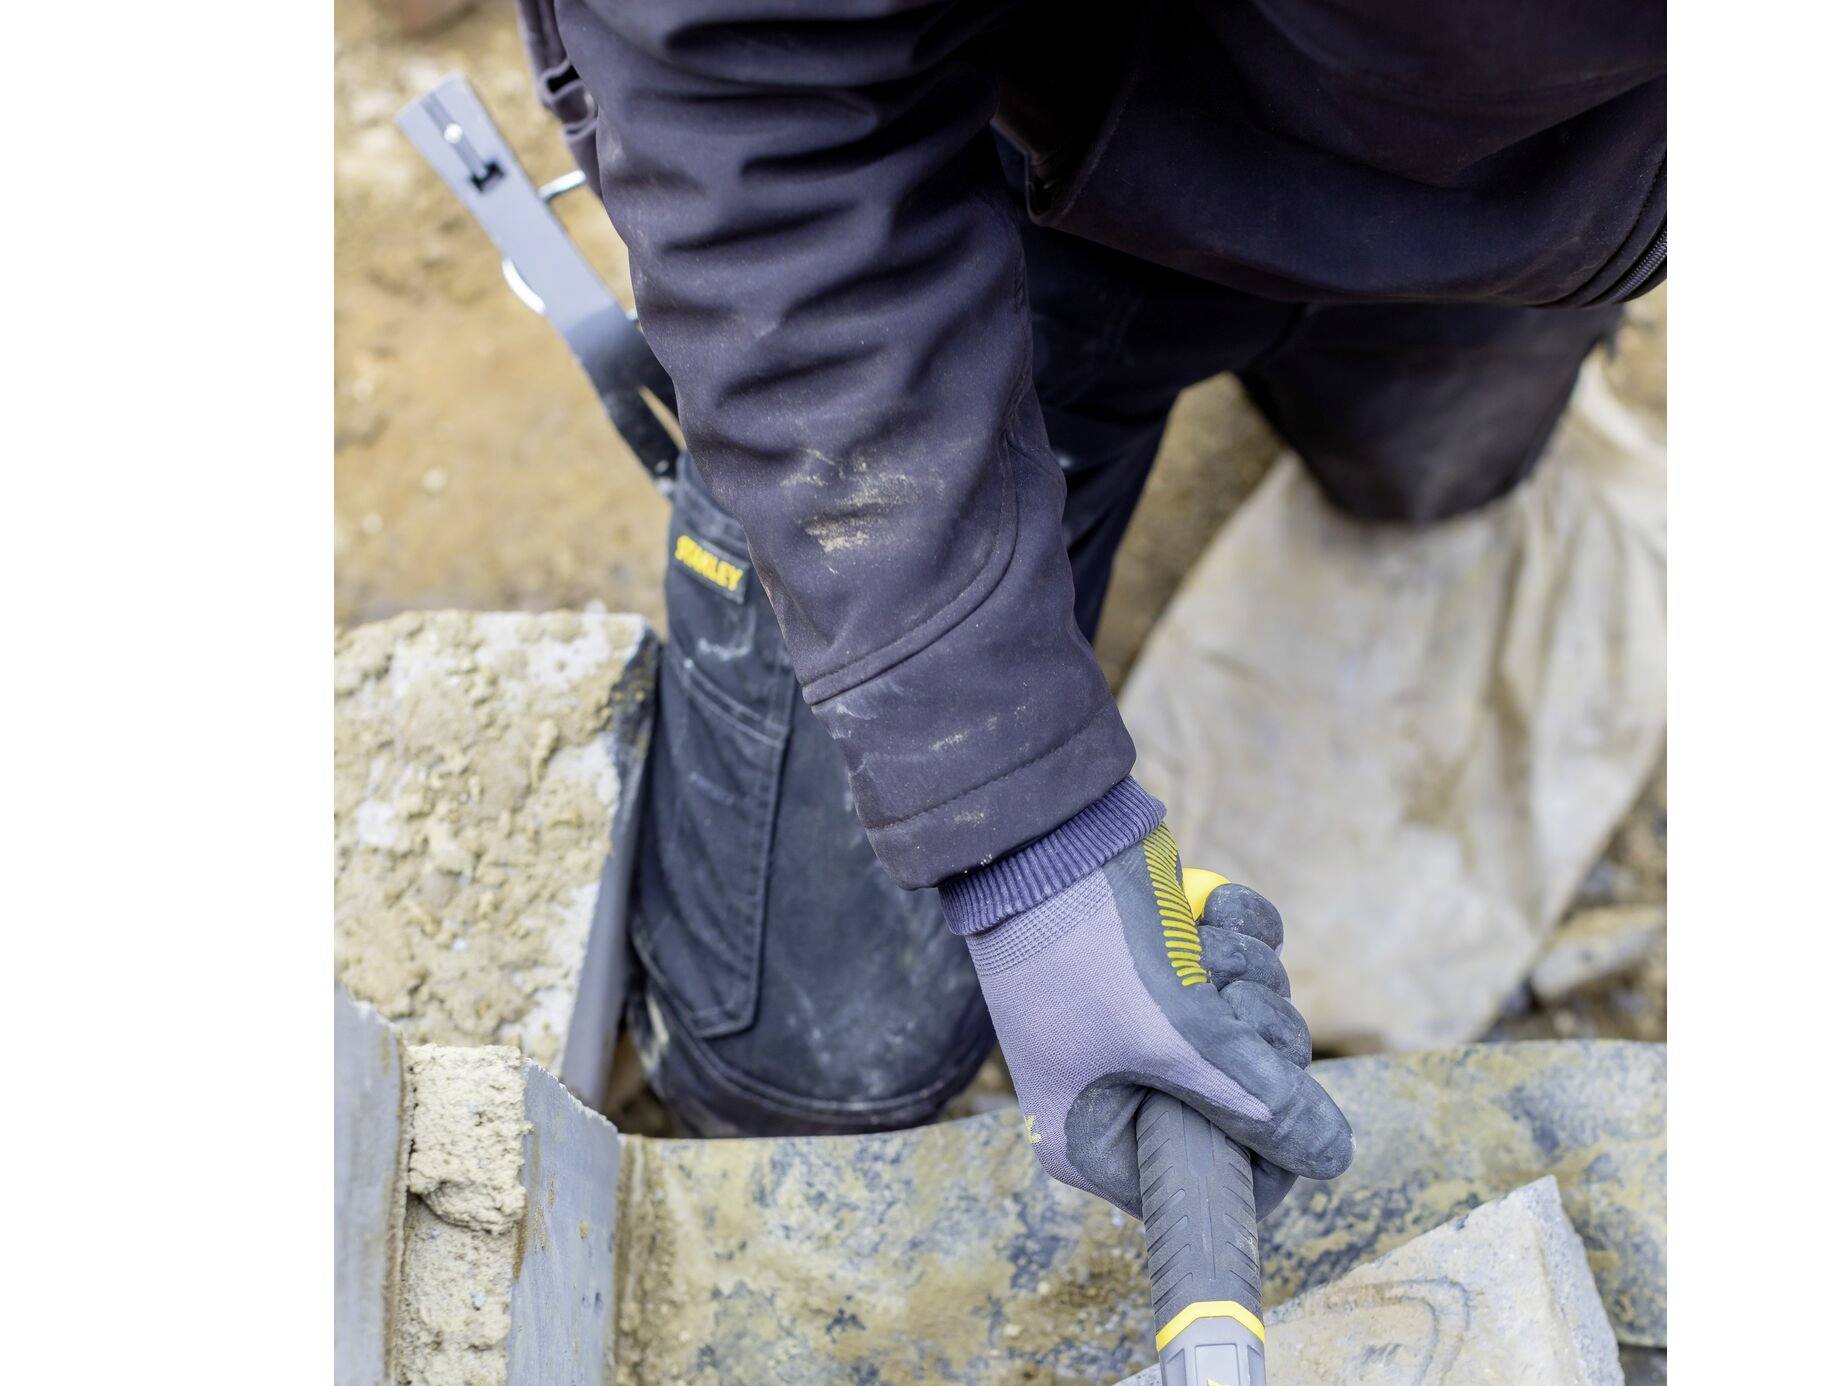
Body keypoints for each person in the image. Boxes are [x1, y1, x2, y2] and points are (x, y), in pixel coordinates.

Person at [514, 0, 1665, 1219]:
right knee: (812, 1069)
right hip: (1002, 196)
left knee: (1429, 480)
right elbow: (750, 88)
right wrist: (1024, 838)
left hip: (1538, 210)